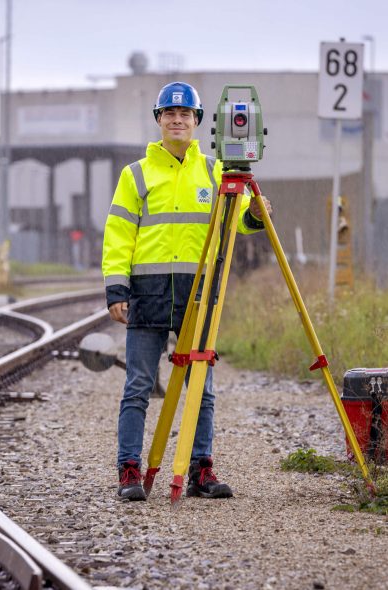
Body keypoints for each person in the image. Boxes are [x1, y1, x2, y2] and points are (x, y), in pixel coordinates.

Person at [102, 81, 272, 501]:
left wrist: (256, 215)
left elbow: (238, 226)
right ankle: (129, 470)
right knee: (138, 386)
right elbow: (119, 233)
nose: (177, 120)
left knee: (204, 388)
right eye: (169, 114)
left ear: (198, 122)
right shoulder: (136, 174)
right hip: (148, 293)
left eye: (185, 114)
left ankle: (201, 470)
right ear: (159, 120)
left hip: (199, 297)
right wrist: (115, 288)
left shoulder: (216, 171)